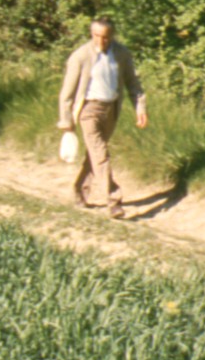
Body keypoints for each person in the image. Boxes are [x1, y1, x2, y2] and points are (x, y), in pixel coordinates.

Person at [57, 16, 148, 219]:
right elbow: (66, 93)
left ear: (112, 36)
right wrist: (66, 121)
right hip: (88, 110)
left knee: (94, 155)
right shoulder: (80, 56)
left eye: (105, 37)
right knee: (101, 154)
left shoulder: (122, 54)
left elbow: (133, 83)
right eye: (96, 35)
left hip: (111, 108)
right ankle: (114, 200)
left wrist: (140, 108)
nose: (101, 41)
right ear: (91, 34)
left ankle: (79, 189)